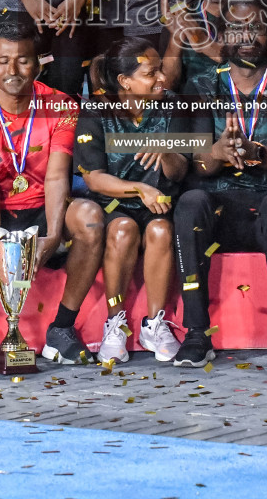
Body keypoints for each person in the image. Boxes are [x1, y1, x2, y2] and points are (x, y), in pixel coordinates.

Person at [0, 17, 104, 368]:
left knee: (91, 218)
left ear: (39, 62)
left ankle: (62, 330)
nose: (13, 70)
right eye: (3, 61)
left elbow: (57, 176)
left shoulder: (60, 105)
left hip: (39, 205)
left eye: (23, 60)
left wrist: (52, 234)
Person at [171, 0, 267, 367]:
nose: (246, 37)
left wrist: (256, 152)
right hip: (217, 202)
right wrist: (216, 154)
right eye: (236, 29)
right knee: (189, 202)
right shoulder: (202, 85)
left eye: (256, 28)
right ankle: (197, 332)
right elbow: (196, 162)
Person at [77, 37, 190, 363]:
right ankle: (115, 322)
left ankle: (154, 324)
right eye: (150, 73)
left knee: (160, 232)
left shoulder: (174, 105)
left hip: (162, 204)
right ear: (125, 81)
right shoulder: (96, 110)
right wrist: (139, 189)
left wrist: (167, 151)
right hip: (116, 203)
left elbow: (181, 171)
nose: (161, 79)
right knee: (123, 229)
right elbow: (93, 176)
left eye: (160, 71)